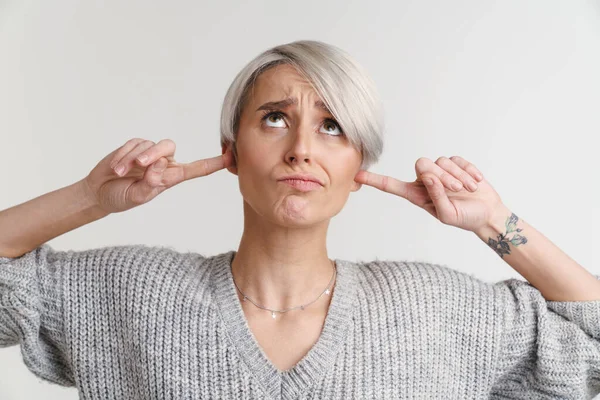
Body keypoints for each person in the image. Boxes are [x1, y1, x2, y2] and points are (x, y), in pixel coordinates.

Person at [1, 39, 599, 400]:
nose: (303, 149)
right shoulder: (131, 295)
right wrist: (90, 197)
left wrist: (495, 223)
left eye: (333, 125)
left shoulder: (438, 311)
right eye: (275, 118)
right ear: (230, 148)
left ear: (358, 159)